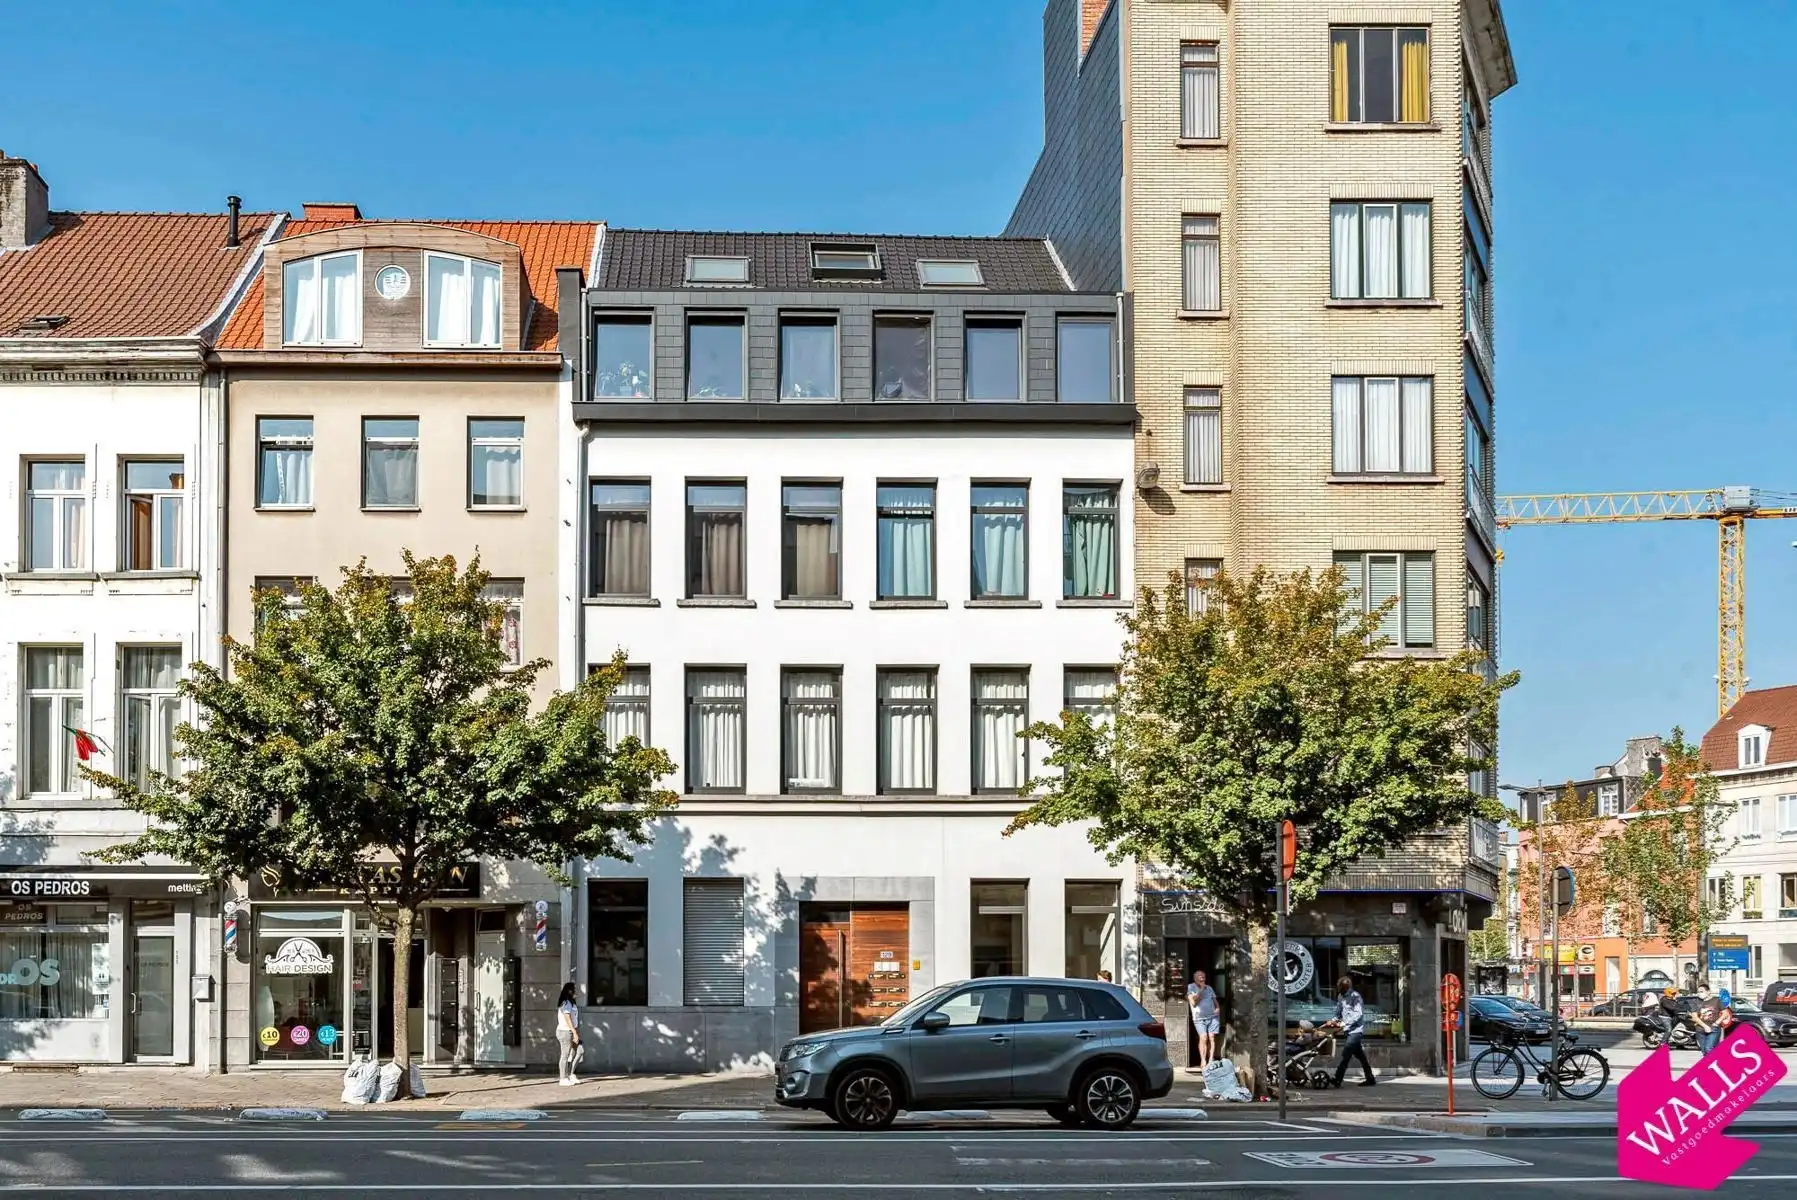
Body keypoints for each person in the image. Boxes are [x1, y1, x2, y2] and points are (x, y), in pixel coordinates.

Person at [1325, 975, 1376, 1088]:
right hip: (1348, 1031)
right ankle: (1370, 1078)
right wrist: (1332, 1021)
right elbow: (1338, 1012)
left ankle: (1337, 1079)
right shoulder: (1340, 997)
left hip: (1356, 1031)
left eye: (1340, 986)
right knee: (1361, 1056)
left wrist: (1344, 1023)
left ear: (1346, 986)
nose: (1338, 988)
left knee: (1345, 1055)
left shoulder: (1355, 997)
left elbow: (1358, 1014)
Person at [1186, 970, 1220, 1075]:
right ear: (1195, 978)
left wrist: (1218, 1008)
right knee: (1203, 1038)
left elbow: (1215, 1001)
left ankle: (1210, 1059)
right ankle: (1203, 1060)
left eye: (1204, 976)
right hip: (1199, 1019)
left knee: (1212, 1037)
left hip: (1213, 1017)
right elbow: (1194, 1003)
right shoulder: (1191, 987)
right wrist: (1200, 989)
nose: (1203, 978)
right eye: (1200, 976)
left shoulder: (1209, 988)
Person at [556, 983, 582, 1085]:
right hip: (565, 1032)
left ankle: (571, 1074)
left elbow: (574, 1019)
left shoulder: (572, 1003)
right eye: (575, 989)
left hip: (571, 1031)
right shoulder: (566, 1003)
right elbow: (568, 1019)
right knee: (565, 1055)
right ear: (570, 991)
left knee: (580, 1051)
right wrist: (574, 1032)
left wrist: (576, 1032)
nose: (577, 991)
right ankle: (563, 1078)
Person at [1693, 981, 1723, 1054]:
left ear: (1708, 992)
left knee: (1708, 1049)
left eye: (1701, 991)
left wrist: (1717, 1022)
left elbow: (1725, 1013)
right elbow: (1695, 1017)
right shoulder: (1696, 1002)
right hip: (1700, 1029)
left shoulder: (1717, 1000)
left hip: (1714, 1029)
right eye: (1698, 992)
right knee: (1704, 1051)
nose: (1699, 994)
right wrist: (1705, 1026)